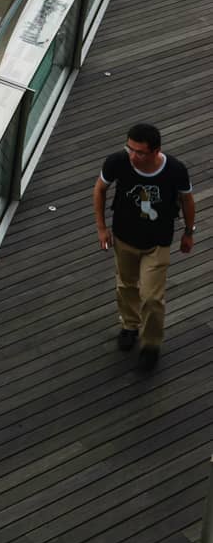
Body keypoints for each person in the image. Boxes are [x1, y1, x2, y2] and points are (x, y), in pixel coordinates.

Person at [93, 122, 195, 370]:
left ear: (156, 150)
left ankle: (151, 344)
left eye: (140, 152)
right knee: (125, 285)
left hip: (157, 243)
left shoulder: (175, 170)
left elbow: (186, 200)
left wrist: (189, 232)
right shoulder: (117, 162)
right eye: (130, 149)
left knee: (151, 297)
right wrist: (102, 228)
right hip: (124, 238)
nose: (134, 156)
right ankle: (129, 325)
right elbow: (100, 190)